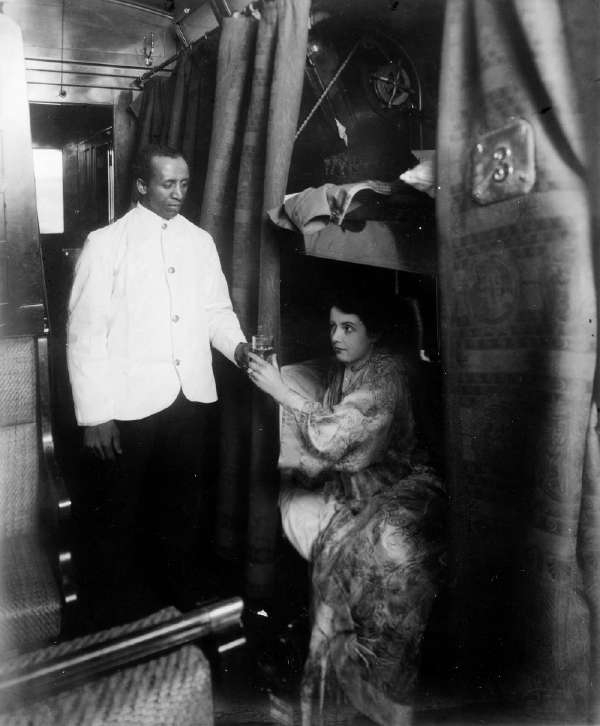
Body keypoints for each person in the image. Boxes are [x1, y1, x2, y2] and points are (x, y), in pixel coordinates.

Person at [67, 144, 248, 627]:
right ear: (141, 185)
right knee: (121, 519)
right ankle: (120, 623)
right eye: (168, 184)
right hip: (127, 408)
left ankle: (179, 614)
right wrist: (96, 415)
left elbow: (217, 313)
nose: (179, 193)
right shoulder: (106, 243)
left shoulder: (200, 242)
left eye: (185, 183)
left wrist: (239, 349)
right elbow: (85, 333)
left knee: (183, 513)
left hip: (189, 400)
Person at [247, 292, 446, 726]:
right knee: (337, 557)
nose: (336, 336)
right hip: (367, 481)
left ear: (374, 333)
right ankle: (335, 699)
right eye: (333, 326)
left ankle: (380, 700)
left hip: (409, 481)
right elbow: (330, 453)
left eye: (349, 327)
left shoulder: (386, 373)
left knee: (377, 555)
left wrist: (282, 391)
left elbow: (337, 437)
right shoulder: (347, 368)